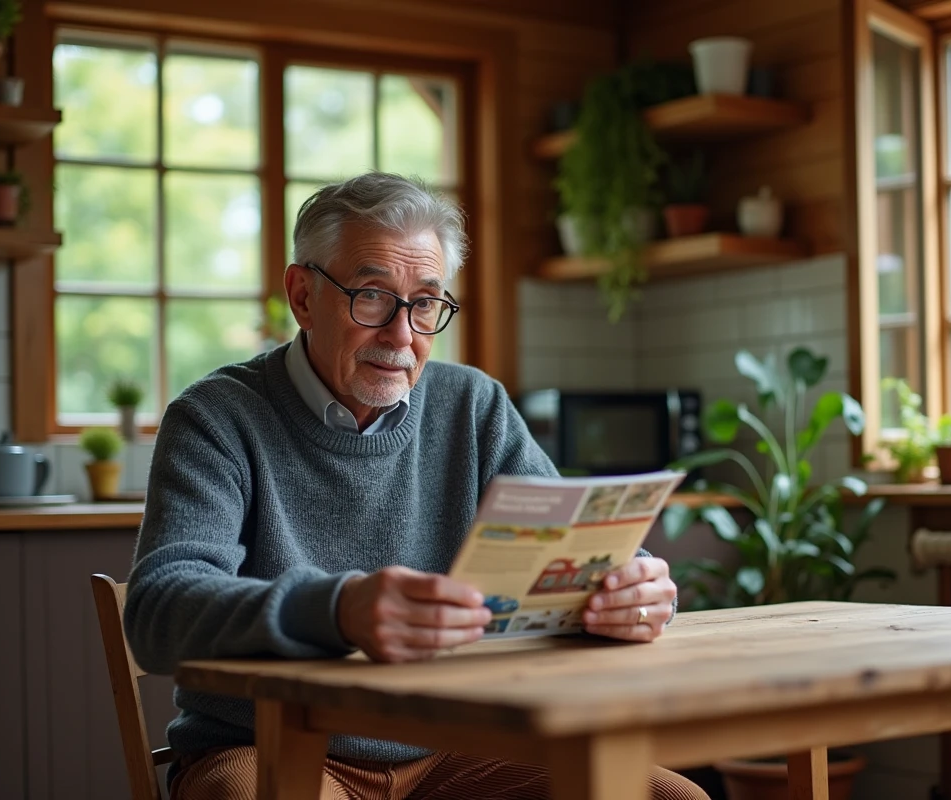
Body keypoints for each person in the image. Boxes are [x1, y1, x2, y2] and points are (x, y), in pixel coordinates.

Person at [124, 171, 706, 800]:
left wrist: (635, 586)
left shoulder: (473, 406)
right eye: (371, 296)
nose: (402, 335)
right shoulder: (216, 416)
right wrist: (340, 609)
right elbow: (158, 614)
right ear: (301, 295)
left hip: (456, 749)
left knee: (670, 797)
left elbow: (565, 543)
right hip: (265, 743)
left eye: (425, 303)